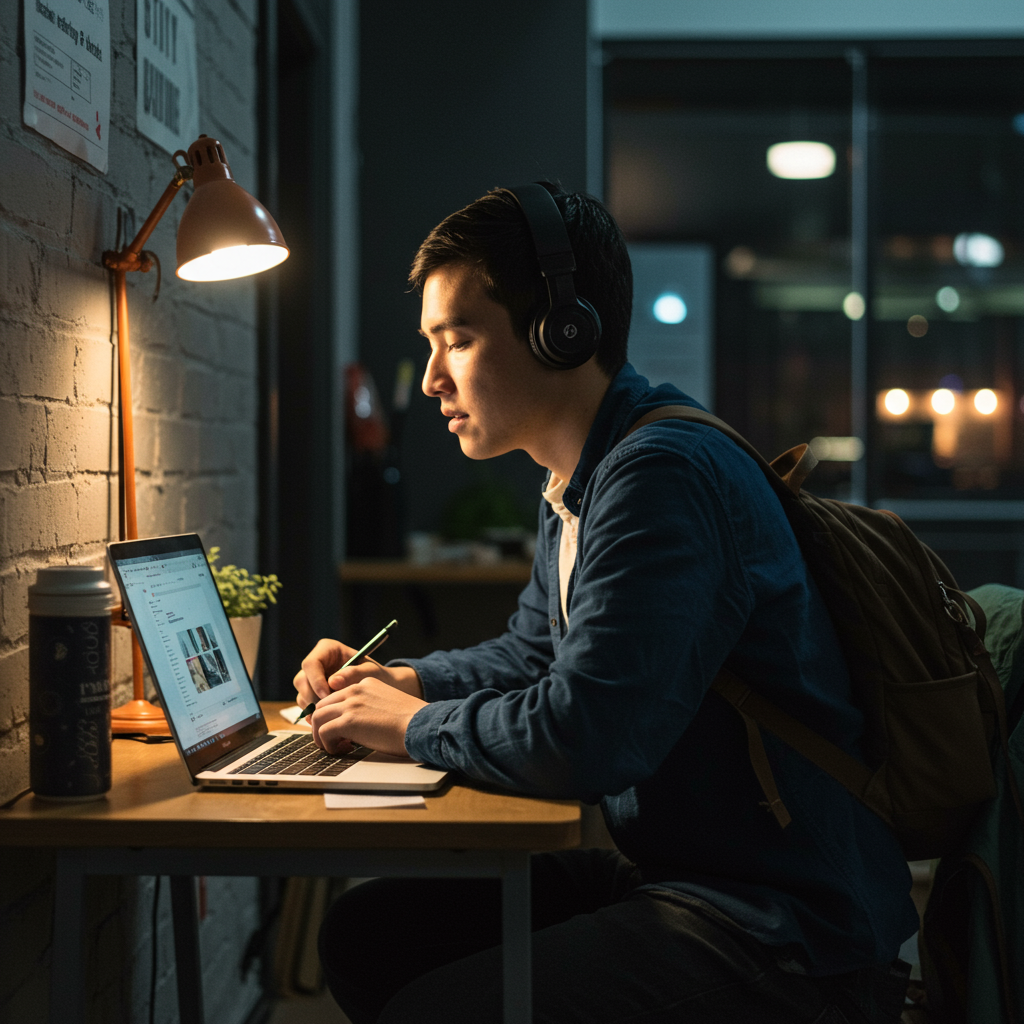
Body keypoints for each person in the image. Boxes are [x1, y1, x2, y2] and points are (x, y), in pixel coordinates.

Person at [293, 184, 918, 1024]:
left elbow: (587, 736)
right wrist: (403, 680)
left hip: (783, 925)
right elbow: (534, 657)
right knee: (371, 933)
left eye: (460, 340)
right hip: (686, 872)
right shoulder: (578, 479)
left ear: (564, 331)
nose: (435, 377)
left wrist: (406, 727)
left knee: (437, 1006)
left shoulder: (659, 477)